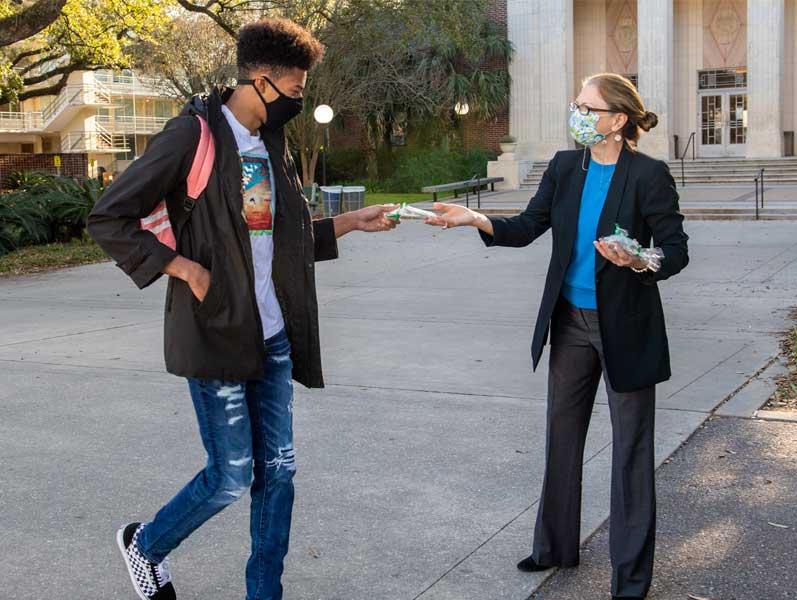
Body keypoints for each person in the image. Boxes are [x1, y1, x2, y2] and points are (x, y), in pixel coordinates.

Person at [88, 18, 398, 600]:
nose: (299, 103)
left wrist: (351, 221)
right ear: (260, 80)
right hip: (216, 333)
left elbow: (273, 235)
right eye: (296, 92)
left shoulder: (267, 146)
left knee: (278, 474)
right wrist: (181, 267)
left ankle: (265, 592)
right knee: (231, 475)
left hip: (271, 336)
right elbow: (109, 217)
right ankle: (146, 544)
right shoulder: (193, 136)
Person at [425, 73, 689, 600]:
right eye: (576, 105)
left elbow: (675, 250)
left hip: (627, 331)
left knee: (631, 452)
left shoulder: (648, 175)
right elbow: (528, 225)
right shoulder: (567, 167)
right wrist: (474, 217)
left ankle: (630, 579)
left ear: (617, 120)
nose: (579, 115)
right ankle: (554, 546)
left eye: (588, 109)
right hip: (569, 322)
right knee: (561, 438)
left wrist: (639, 258)